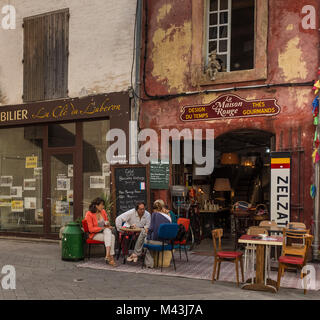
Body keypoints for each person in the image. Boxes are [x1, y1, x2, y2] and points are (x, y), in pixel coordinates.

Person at [127, 201, 172, 268]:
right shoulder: (168, 217)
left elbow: (151, 230)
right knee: (144, 235)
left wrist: (147, 234)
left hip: (158, 241)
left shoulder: (154, 214)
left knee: (145, 239)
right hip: (167, 242)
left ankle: (138, 256)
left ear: (154, 208)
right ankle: (138, 256)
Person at [85, 197, 116, 266]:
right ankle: (111, 258)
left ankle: (108, 255)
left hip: (104, 233)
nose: (103, 206)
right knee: (112, 237)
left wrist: (108, 225)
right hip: (94, 234)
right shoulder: (89, 214)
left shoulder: (103, 212)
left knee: (109, 232)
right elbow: (90, 229)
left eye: (103, 205)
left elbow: (107, 223)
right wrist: (102, 228)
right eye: (101, 205)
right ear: (96, 205)